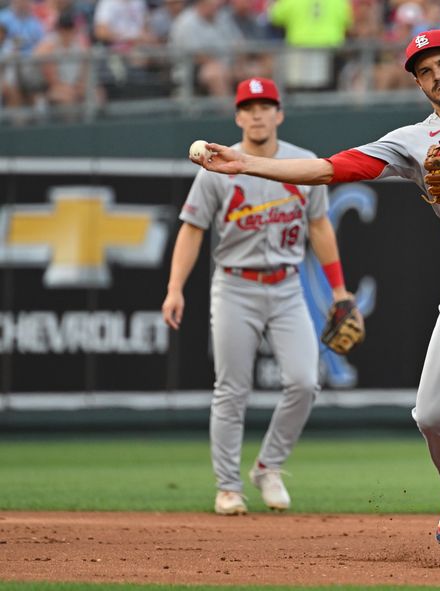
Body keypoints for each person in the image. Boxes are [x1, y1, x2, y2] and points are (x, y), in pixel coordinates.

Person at [190, 30, 440, 566]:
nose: (436, 75)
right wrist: (245, 165)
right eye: (424, 71)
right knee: (430, 413)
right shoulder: (414, 141)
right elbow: (331, 169)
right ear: (418, 83)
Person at [161, 77, 354, 515]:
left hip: (286, 284)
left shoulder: (304, 164)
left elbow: (320, 227)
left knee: (305, 382)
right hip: (235, 284)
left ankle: (268, 467)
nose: (257, 113)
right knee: (232, 388)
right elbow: (191, 230)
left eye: (265, 105)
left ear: (279, 113)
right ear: (237, 116)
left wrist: (339, 289)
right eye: (248, 107)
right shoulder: (218, 167)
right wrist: (175, 288)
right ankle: (228, 486)